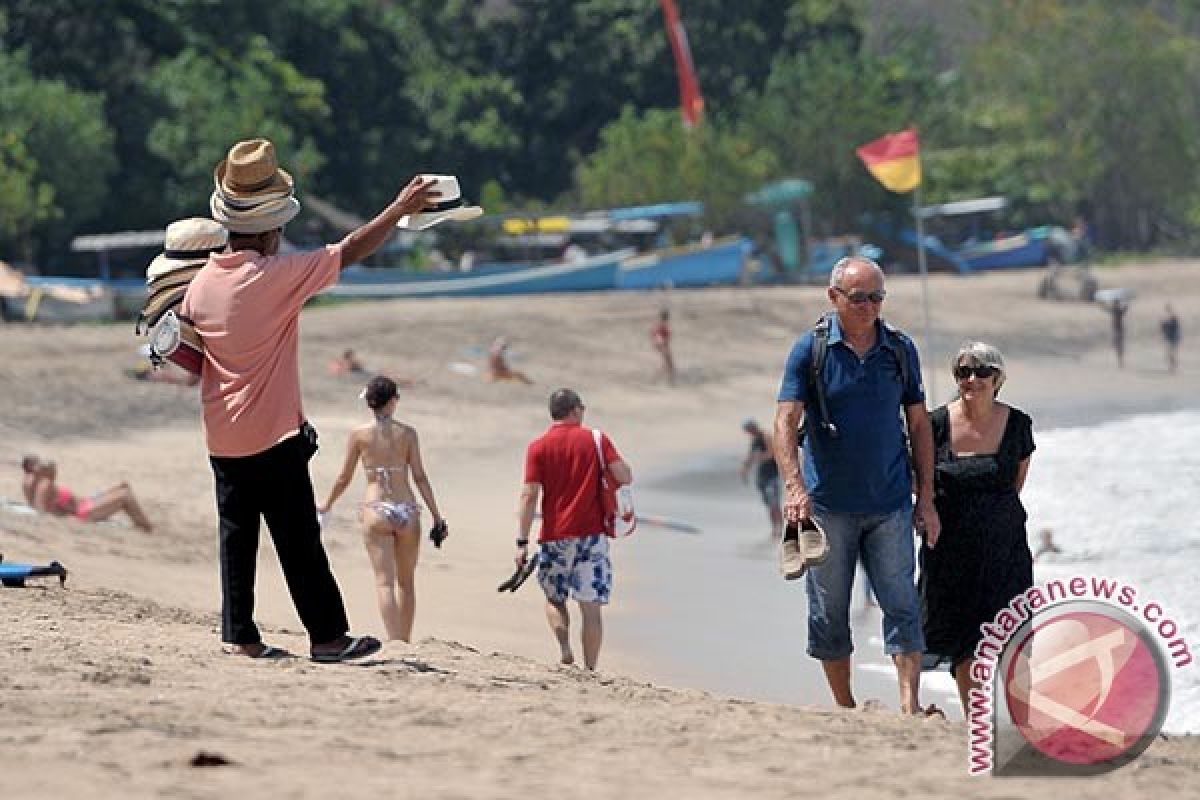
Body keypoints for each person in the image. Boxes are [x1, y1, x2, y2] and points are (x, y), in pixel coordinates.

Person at [182, 137, 439, 662]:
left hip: (221, 435)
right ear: (270, 228)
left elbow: (192, 354)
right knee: (298, 539)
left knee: (237, 538)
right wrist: (398, 209)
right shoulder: (277, 277)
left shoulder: (201, 283)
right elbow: (349, 250)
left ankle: (240, 636)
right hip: (273, 435)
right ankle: (327, 637)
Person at [773, 255, 939, 716]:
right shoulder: (811, 350)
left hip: (889, 503)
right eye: (859, 297)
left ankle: (909, 704)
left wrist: (925, 499)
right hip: (827, 506)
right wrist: (794, 487)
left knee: (902, 602)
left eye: (877, 297)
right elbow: (786, 421)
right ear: (834, 297)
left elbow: (920, 425)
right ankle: (846, 706)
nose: (869, 306)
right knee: (828, 613)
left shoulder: (900, 350)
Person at [919, 342, 1035, 714]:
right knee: (963, 639)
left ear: (997, 378)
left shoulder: (1018, 424)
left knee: (1014, 636)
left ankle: (1021, 719)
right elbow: (921, 483)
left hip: (1005, 549)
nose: (972, 379)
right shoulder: (934, 424)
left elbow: (1015, 484)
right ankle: (976, 719)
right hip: (950, 550)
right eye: (963, 372)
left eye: (982, 372)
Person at [318, 375, 446, 642]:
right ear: (393, 402)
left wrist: (327, 504)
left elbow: (344, 477)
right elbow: (420, 476)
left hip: (376, 508)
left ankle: (394, 639)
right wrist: (436, 514)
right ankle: (405, 639)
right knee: (406, 582)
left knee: (384, 582)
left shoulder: (359, 434)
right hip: (407, 508)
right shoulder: (407, 434)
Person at [515, 389, 632, 670]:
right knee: (591, 609)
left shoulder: (538, 447)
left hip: (555, 534)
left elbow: (529, 494)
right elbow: (624, 475)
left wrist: (521, 541)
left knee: (555, 598)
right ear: (576, 410)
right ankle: (590, 668)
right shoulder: (596, 440)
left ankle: (565, 649)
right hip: (591, 534)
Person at [20, 455, 153, 532]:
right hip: (82, 512)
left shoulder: (35, 481)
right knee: (125, 495)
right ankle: (146, 528)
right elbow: (41, 512)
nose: (53, 471)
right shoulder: (44, 484)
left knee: (123, 487)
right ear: (34, 468)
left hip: (84, 504)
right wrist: (65, 516)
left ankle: (143, 525)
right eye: (43, 465)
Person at [740, 419, 782, 540]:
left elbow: (771, 453)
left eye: (749, 430)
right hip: (762, 477)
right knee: (769, 505)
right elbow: (750, 456)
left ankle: (781, 528)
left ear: (754, 427)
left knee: (775, 504)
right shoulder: (755, 441)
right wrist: (744, 469)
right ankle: (774, 529)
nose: (749, 433)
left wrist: (757, 458)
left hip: (772, 476)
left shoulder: (766, 436)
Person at [651, 309, 676, 386]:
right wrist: (661, 346)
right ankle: (669, 381)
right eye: (667, 316)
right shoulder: (661, 325)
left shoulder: (662, 325)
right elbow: (658, 336)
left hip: (663, 346)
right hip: (663, 346)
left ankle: (658, 380)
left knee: (667, 364)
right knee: (669, 364)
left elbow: (654, 334)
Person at [1108, 297, 1129, 369]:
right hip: (1116, 330)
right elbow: (1125, 309)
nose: (1115, 305)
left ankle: (1120, 361)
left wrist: (1126, 304)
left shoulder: (1117, 311)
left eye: (1115, 303)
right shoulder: (1115, 310)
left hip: (1119, 330)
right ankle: (1120, 360)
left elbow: (1125, 310)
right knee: (1117, 345)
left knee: (1119, 345)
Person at [1161, 303, 1181, 373]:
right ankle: (1172, 367)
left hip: (1174, 337)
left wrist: (1165, 323)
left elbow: (1175, 327)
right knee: (1169, 353)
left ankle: (1173, 368)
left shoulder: (1174, 317)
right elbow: (1163, 328)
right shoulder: (1167, 317)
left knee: (1172, 353)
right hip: (1170, 337)